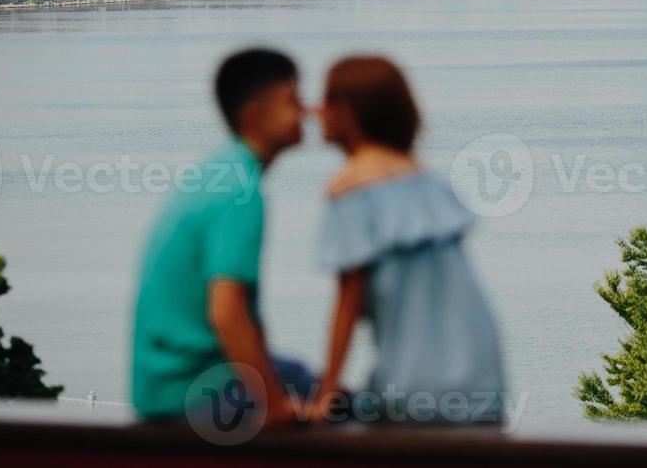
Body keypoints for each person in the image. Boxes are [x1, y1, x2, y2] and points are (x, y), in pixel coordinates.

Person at [310, 56, 506, 426]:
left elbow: (348, 299)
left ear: (347, 112)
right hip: (482, 374)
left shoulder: (350, 189)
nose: (316, 111)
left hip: (417, 387)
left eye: (326, 101)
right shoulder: (427, 180)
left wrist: (326, 392)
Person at [131, 48, 313, 428]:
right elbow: (226, 311)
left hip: (163, 384)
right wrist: (275, 408)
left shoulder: (220, 169)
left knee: (306, 381)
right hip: (192, 392)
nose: (306, 111)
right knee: (350, 411)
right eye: (292, 101)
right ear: (254, 117)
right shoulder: (240, 192)